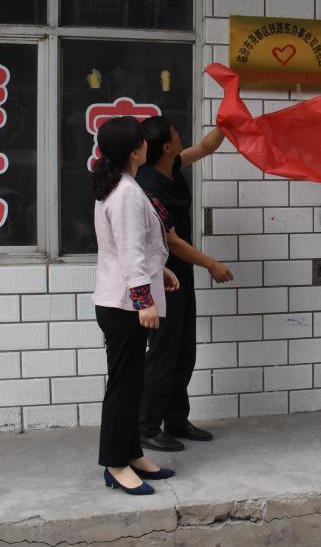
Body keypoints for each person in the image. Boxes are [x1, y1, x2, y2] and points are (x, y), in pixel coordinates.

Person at [91, 115, 180, 496]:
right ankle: (115, 464)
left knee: (131, 384)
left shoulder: (122, 185)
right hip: (124, 306)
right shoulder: (126, 192)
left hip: (123, 301)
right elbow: (129, 252)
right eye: (143, 140)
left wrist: (160, 272)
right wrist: (144, 300)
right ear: (134, 151)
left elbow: (131, 247)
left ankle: (131, 454)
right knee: (123, 388)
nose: (147, 145)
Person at [138, 116, 233, 452]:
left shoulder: (173, 164)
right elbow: (172, 241)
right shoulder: (148, 186)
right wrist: (211, 264)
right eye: (177, 133)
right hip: (161, 276)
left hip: (182, 274)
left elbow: (206, 147)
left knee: (183, 351)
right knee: (163, 353)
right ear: (166, 146)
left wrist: (228, 123)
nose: (182, 136)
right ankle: (146, 427)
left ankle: (176, 419)